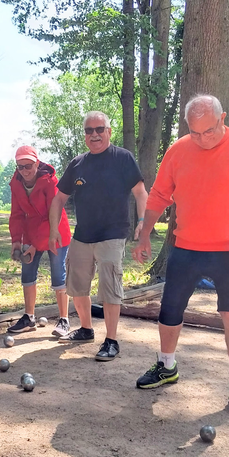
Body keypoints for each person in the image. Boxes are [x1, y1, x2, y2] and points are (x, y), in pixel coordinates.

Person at [132, 95, 229, 417]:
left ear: (222, 118)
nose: (202, 139)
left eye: (208, 131)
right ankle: (166, 366)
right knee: (169, 310)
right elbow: (159, 195)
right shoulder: (179, 149)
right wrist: (143, 235)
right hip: (186, 246)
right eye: (194, 133)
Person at [48, 111, 148, 361]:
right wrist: (52, 231)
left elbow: (140, 192)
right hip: (82, 235)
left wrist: (144, 222)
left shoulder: (123, 158)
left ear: (109, 132)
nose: (94, 135)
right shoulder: (78, 163)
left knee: (110, 287)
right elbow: (59, 198)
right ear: (85, 135)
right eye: (89, 131)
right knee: (77, 286)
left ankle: (111, 340)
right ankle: (86, 329)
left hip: (113, 233)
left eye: (99, 129)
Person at [8, 145, 72, 337]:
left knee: (58, 273)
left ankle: (64, 320)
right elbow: (16, 214)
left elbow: (54, 213)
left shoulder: (50, 181)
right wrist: (16, 241)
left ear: (36, 163)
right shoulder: (16, 183)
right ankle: (29, 317)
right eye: (21, 167)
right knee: (27, 272)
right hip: (31, 231)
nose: (25, 171)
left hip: (55, 230)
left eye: (29, 165)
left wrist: (37, 245)